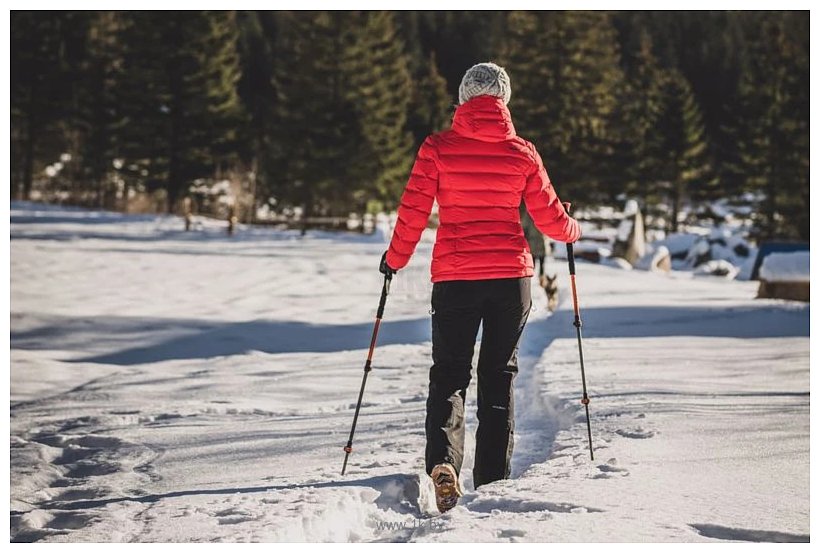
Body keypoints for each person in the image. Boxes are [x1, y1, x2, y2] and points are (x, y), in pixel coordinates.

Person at [379, 62, 581, 512]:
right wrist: (572, 228)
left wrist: (395, 259)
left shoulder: (437, 148)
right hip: (511, 280)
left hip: (455, 278)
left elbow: (413, 210)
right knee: (498, 377)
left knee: (449, 375)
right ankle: (491, 483)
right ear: (504, 101)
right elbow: (549, 218)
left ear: (464, 98)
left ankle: (443, 465)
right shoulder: (522, 153)